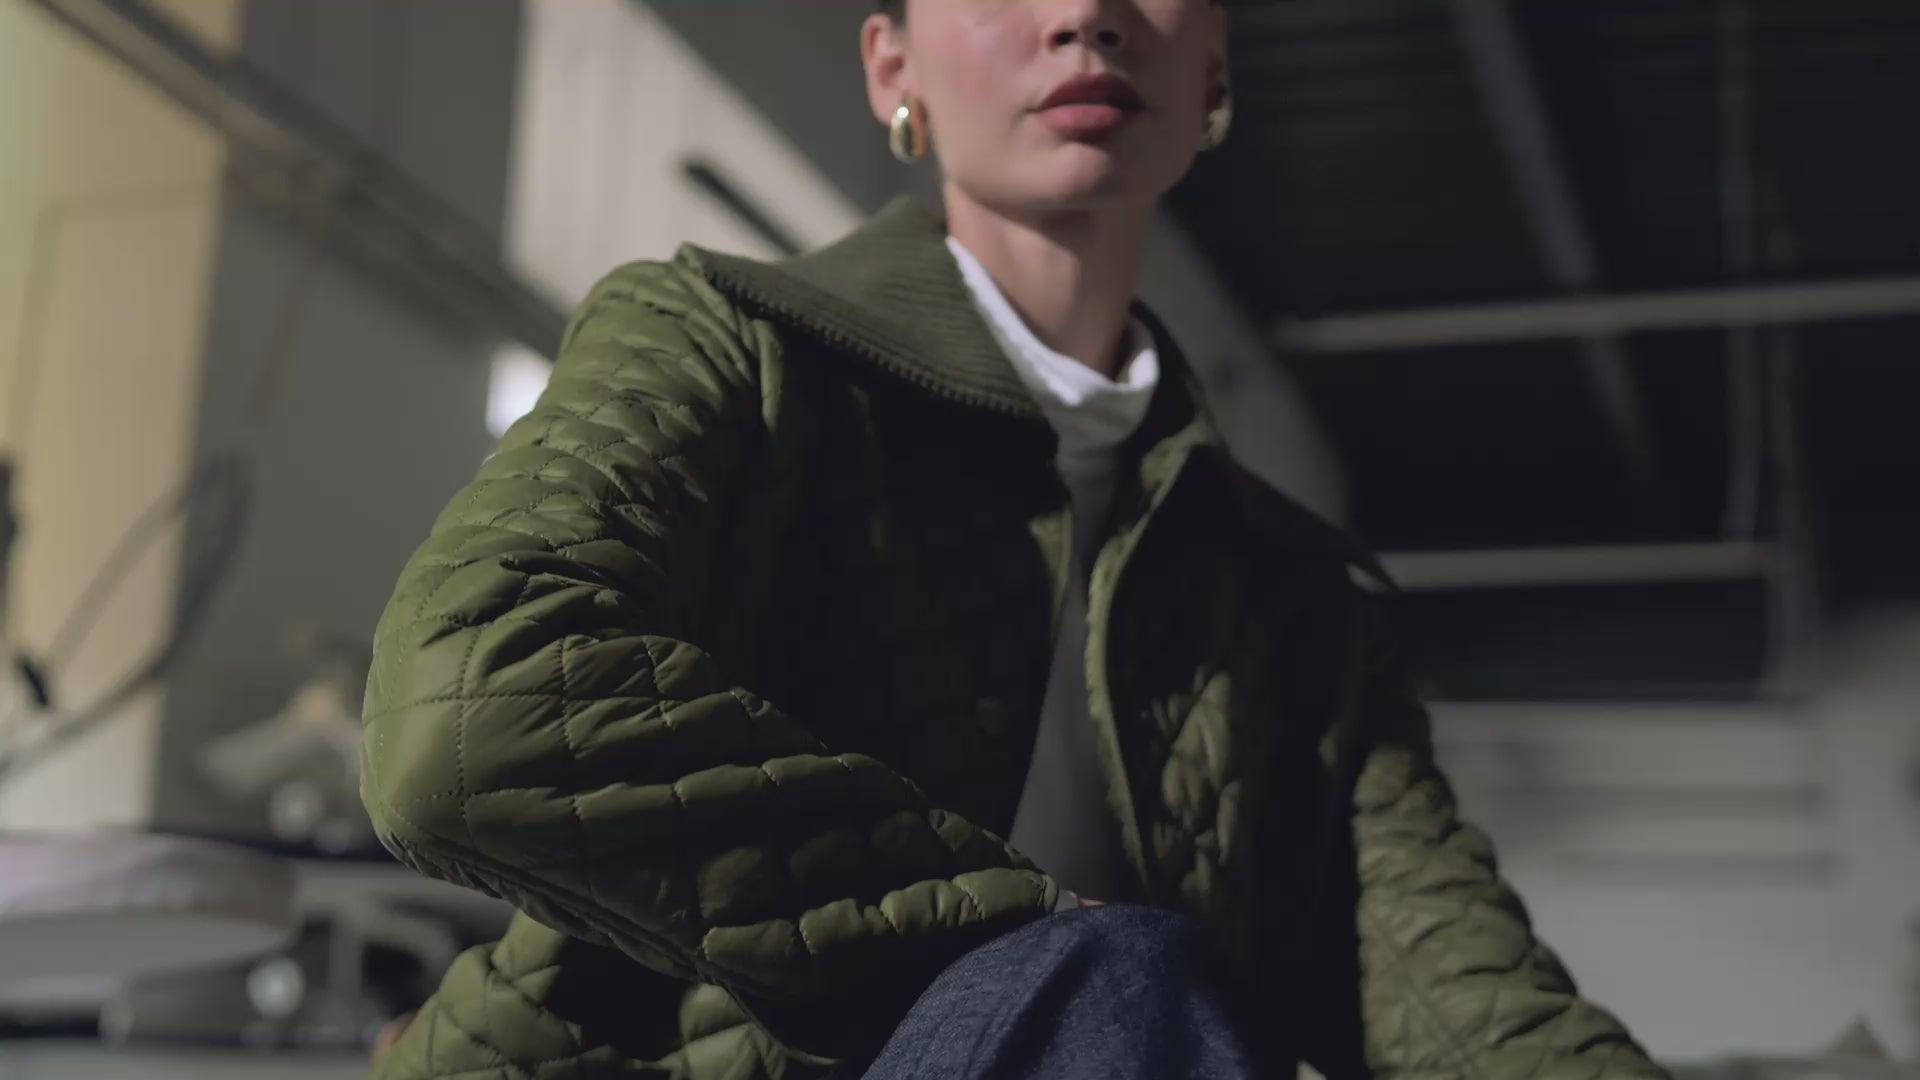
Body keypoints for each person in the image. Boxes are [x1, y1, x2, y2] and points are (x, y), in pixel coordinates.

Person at [359, 2, 1668, 1077]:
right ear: (895, 69)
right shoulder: (720, 346)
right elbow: (464, 712)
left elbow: (1474, 1012)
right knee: (1119, 976)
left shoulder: (1298, 599)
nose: (1086, 16)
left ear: (1214, 70)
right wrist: (1022, 925)